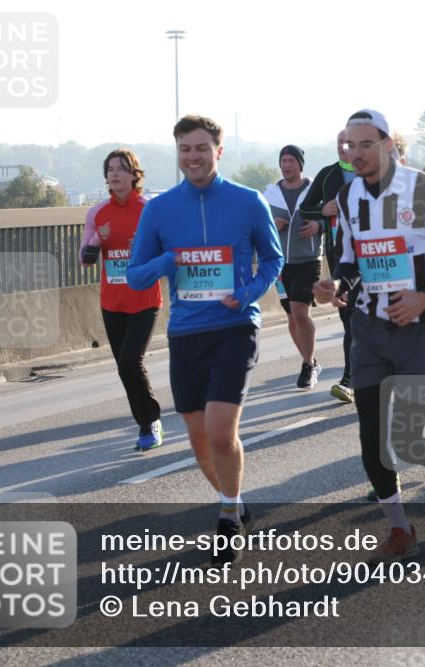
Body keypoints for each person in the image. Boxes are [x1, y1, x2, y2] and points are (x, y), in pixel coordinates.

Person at [313, 109, 425, 560]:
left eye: (366, 144)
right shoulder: (348, 198)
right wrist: (337, 285)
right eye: (349, 145)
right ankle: (400, 528)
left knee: (409, 440)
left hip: (421, 328)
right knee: (371, 436)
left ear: (388, 144)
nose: (356, 153)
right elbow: (349, 260)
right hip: (368, 327)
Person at [127, 115, 284, 566]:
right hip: (186, 334)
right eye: (184, 149)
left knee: (220, 430)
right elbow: (135, 277)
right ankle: (234, 499)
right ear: (177, 153)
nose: (192, 157)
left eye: (201, 148)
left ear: (219, 151)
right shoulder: (158, 210)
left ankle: (227, 519)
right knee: (198, 440)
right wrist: (167, 262)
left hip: (235, 329)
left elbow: (272, 261)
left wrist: (249, 293)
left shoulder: (248, 202)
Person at [79, 149, 163, 451]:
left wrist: (142, 249)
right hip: (112, 302)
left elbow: (166, 250)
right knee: (124, 367)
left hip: (144, 300)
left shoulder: (149, 209)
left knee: (131, 361)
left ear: (134, 174)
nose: (114, 174)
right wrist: (96, 241)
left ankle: (149, 421)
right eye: (110, 169)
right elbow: (85, 260)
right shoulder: (97, 213)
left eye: (121, 169)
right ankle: (145, 420)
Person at [298, 130, 359, 402]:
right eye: (340, 144)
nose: (344, 148)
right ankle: (350, 379)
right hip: (339, 257)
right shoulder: (327, 175)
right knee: (349, 317)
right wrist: (324, 210)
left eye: (349, 143)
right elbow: (305, 209)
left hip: (374, 256)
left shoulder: (372, 174)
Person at [264, 145, 323, 388]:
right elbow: (259, 225)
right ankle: (311, 361)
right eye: (283, 161)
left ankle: (308, 366)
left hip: (308, 260)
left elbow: (332, 216)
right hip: (281, 264)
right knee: (291, 317)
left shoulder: (313, 190)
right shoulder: (270, 194)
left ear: (300, 164)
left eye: (291, 160)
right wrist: (271, 223)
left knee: (300, 311)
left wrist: (318, 226)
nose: (286, 165)